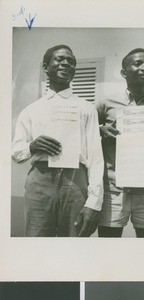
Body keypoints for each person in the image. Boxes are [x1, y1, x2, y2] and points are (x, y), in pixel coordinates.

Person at [12, 44, 104, 237]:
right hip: (40, 181)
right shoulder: (31, 110)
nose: (66, 63)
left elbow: (96, 158)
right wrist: (32, 145)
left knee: (74, 244)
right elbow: (16, 153)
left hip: (76, 182)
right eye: (60, 59)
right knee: (37, 244)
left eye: (70, 61)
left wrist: (94, 202)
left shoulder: (86, 108)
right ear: (46, 67)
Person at [96, 48, 144, 238]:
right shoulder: (105, 104)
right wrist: (100, 131)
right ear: (123, 72)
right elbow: (87, 137)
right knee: (109, 249)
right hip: (113, 189)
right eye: (138, 63)